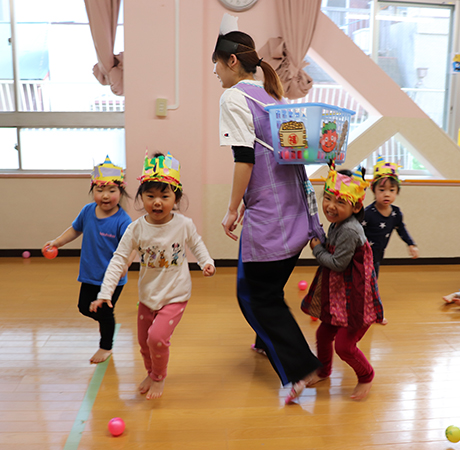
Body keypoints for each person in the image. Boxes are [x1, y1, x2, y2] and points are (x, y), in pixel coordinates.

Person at [213, 20, 323, 405]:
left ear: (231, 62)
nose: (215, 73)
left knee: (256, 296)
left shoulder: (233, 98)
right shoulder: (271, 96)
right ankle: (265, 342)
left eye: (217, 65)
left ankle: (300, 369)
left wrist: (231, 209)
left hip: (271, 221)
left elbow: (245, 158)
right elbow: (273, 159)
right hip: (297, 216)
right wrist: (247, 199)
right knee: (268, 289)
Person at [90, 152, 215, 400]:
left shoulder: (183, 224)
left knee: (156, 339)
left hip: (175, 295)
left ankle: (159, 377)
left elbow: (197, 244)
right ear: (141, 198)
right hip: (147, 296)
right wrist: (105, 293)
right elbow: (118, 259)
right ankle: (151, 372)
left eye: (164, 196)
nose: (157, 202)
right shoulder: (136, 228)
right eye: (150, 196)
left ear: (176, 198)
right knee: (144, 341)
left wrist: (206, 262)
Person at [302, 168, 384, 401]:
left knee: (344, 346)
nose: (330, 206)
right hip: (341, 293)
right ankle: (323, 370)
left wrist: (317, 249)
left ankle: (366, 375)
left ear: (356, 207)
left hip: (355, 297)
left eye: (340, 201)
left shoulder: (349, 229)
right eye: (328, 198)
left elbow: (337, 264)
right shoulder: (338, 222)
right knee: (323, 333)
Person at [44, 156, 132, 364]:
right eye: (100, 190)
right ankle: (107, 323)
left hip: (112, 278)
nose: (105, 195)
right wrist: (57, 242)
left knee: (105, 312)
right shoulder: (87, 211)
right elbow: (75, 229)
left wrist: (125, 265)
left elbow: (131, 247)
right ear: (93, 191)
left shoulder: (123, 220)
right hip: (90, 274)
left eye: (112, 190)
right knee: (84, 307)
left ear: (121, 192)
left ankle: (106, 346)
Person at [362, 156, 419, 278]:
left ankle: (372, 290)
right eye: (382, 190)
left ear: (397, 191)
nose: (386, 194)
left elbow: (401, 229)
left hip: (377, 256)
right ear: (374, 190)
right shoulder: (368, 213)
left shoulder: (396, 213)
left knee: (373, 279)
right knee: (362, 280)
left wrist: (411, 244)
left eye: (391, 190)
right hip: (361, 256)